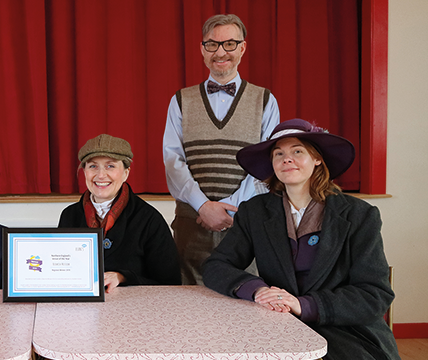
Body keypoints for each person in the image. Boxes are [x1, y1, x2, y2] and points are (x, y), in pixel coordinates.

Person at [203, 119, 400, 359]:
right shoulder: (254, 211)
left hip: (345, 332)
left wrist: (303, 305)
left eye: (297, 151)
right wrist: (257, 290)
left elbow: (374, 294)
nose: (287, 159)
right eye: (278, 154)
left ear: (317, 159)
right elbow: (216, 266)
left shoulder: (360, 215)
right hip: (276, 324)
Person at [163, 14, 280, 285]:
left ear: (242, 48)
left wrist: (230, 209)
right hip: (192, 223)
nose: (220, 52)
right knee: (189, 301)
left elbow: (268, 162)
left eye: (229, 44)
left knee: (244, 297)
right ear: (202, 50)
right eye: (212, 44)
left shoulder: (265, 100)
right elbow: (173, 160)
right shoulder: (181, 100)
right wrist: (203, 206)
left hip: (245, 221)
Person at [59, 134, 182, 293]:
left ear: (126, 173)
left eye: (110, 166)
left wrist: (123, 277)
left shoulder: (149, 219)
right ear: (84, 172)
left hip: (135, 311)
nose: (101, 175)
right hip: (81, 309)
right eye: (93, 166)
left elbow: (170, 284)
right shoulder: (69, 216)